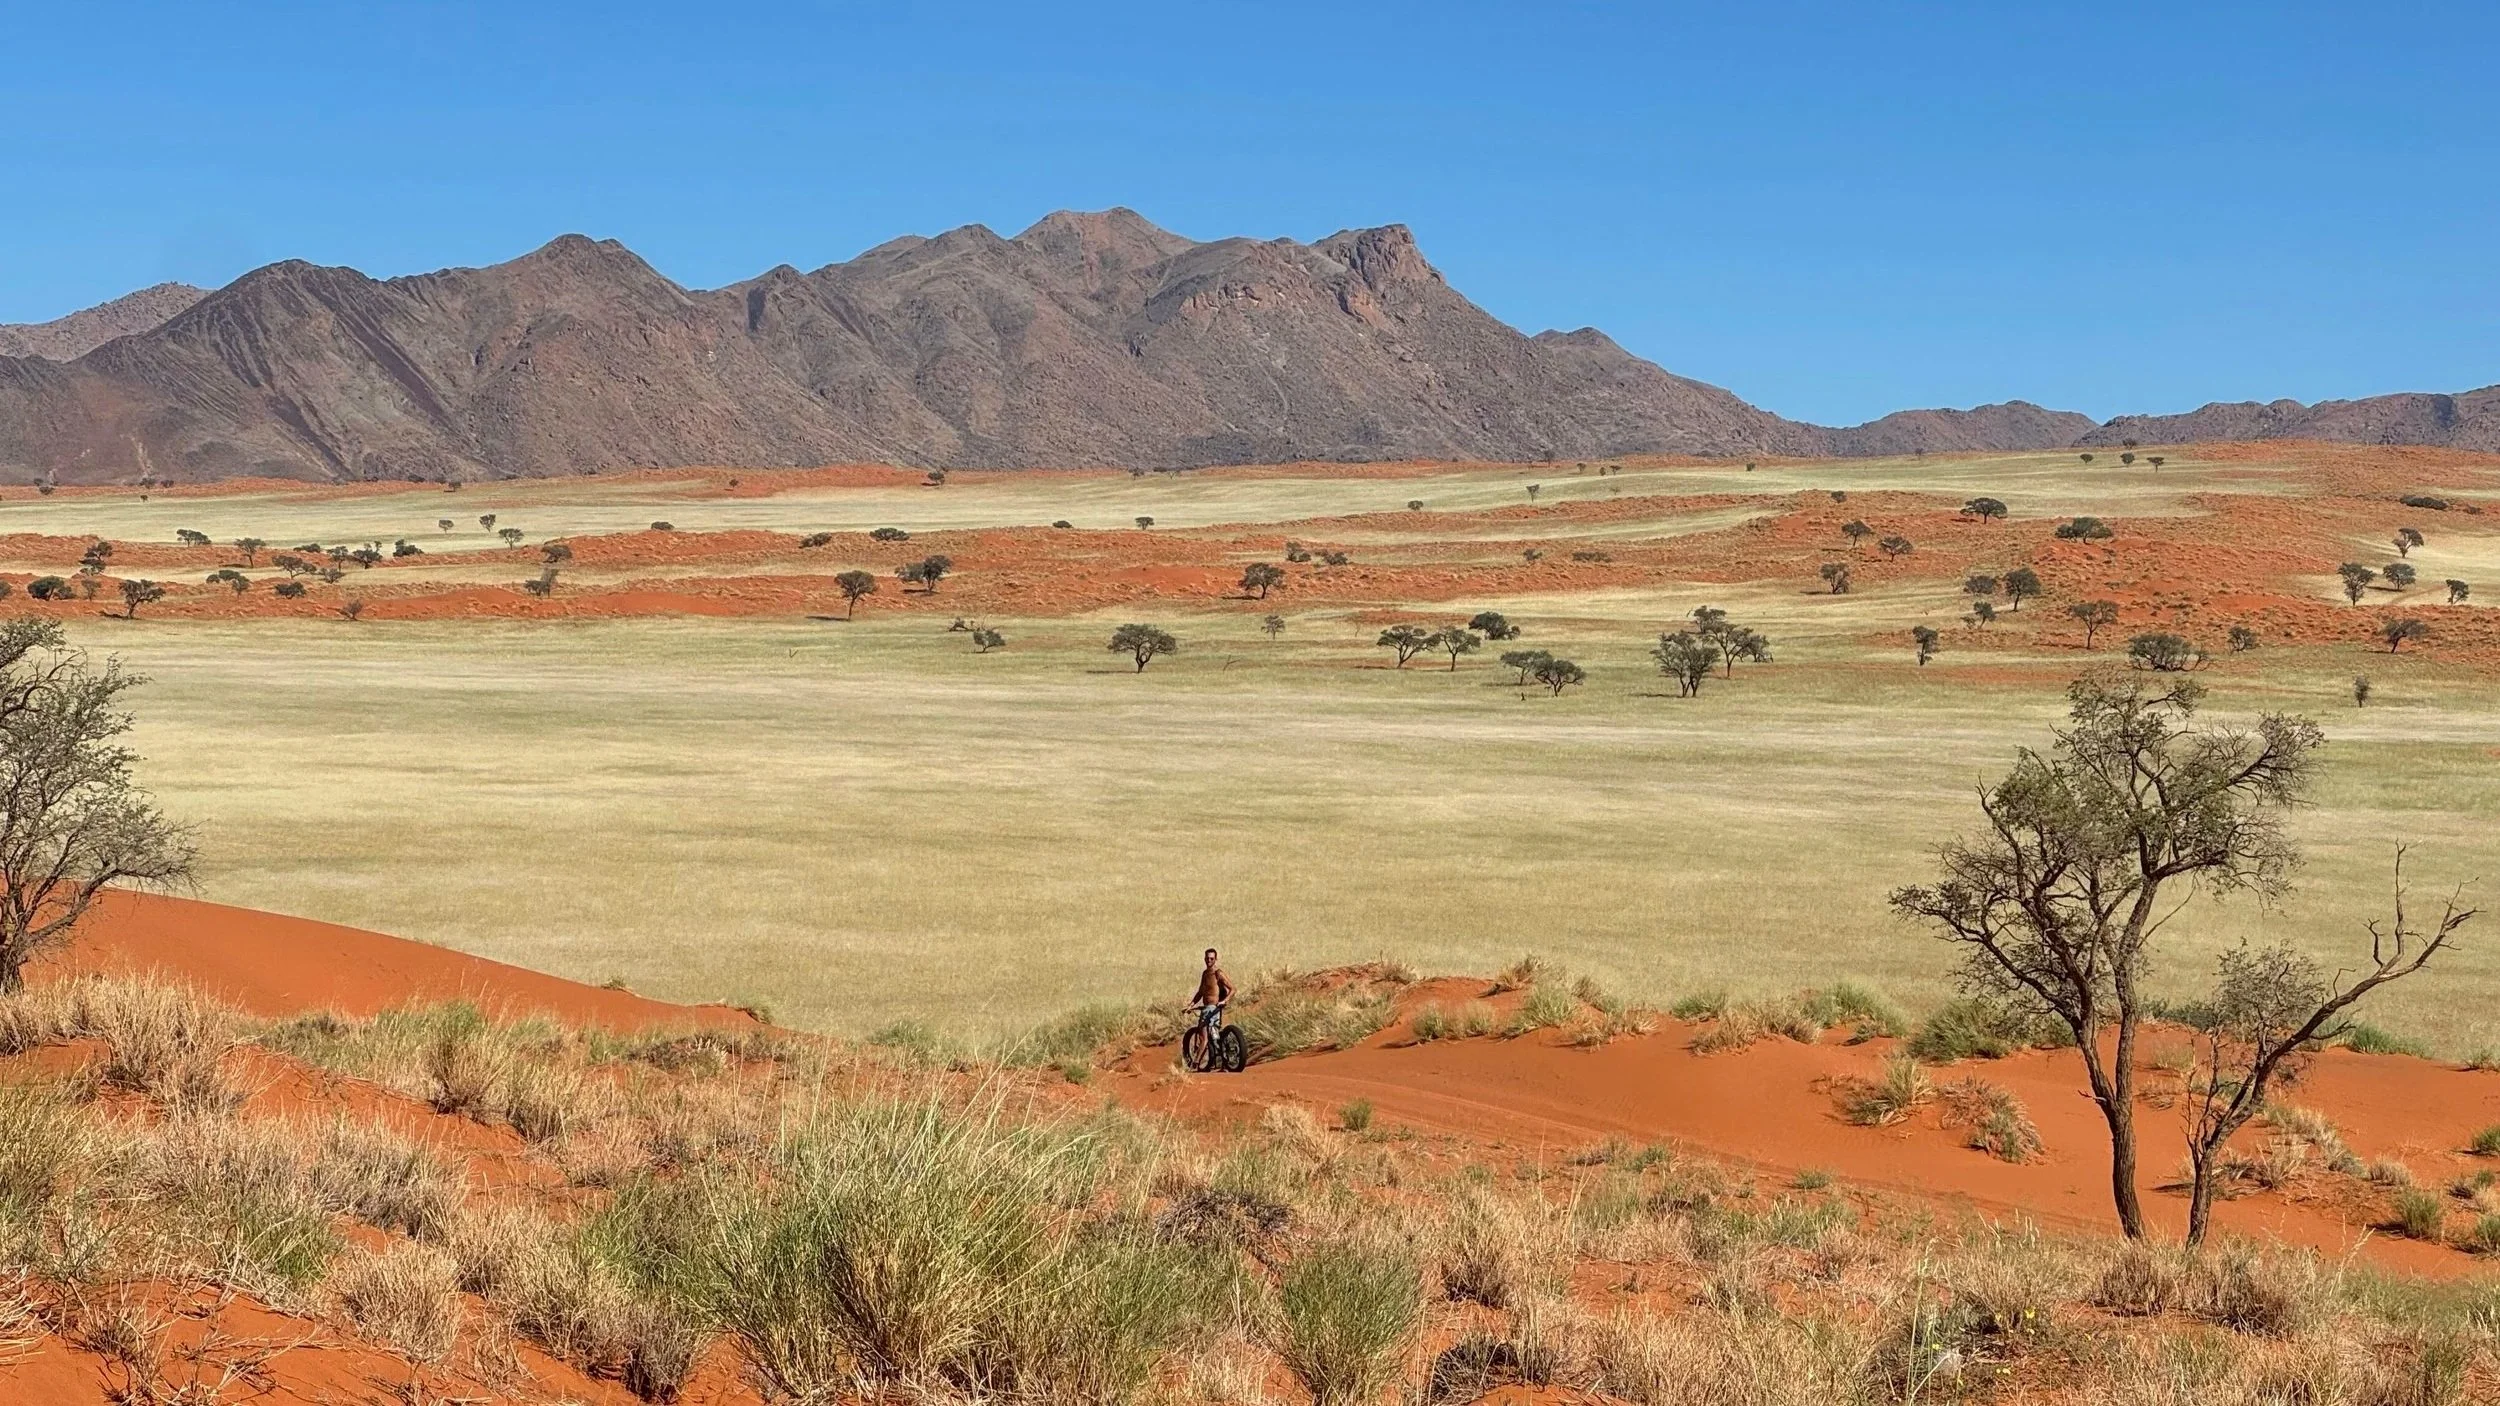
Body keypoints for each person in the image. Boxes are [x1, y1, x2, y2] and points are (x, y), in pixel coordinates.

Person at [1188, 947, 1233, 1044]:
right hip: (1206, 1008)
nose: (1209, 960)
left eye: (1212, 958)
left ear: (1215, 959)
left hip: (1214, 1008)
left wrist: (1225, 1000)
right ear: (1204, 959)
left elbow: (1233, 989)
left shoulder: (1218, 973)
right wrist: (1191, 1005)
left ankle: (1221, 1052)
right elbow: (1201, 992)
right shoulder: (1205, 974)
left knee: (1211, 1034)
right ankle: (1214, 1055)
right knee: (1208, 1035)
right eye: (1207, 958)